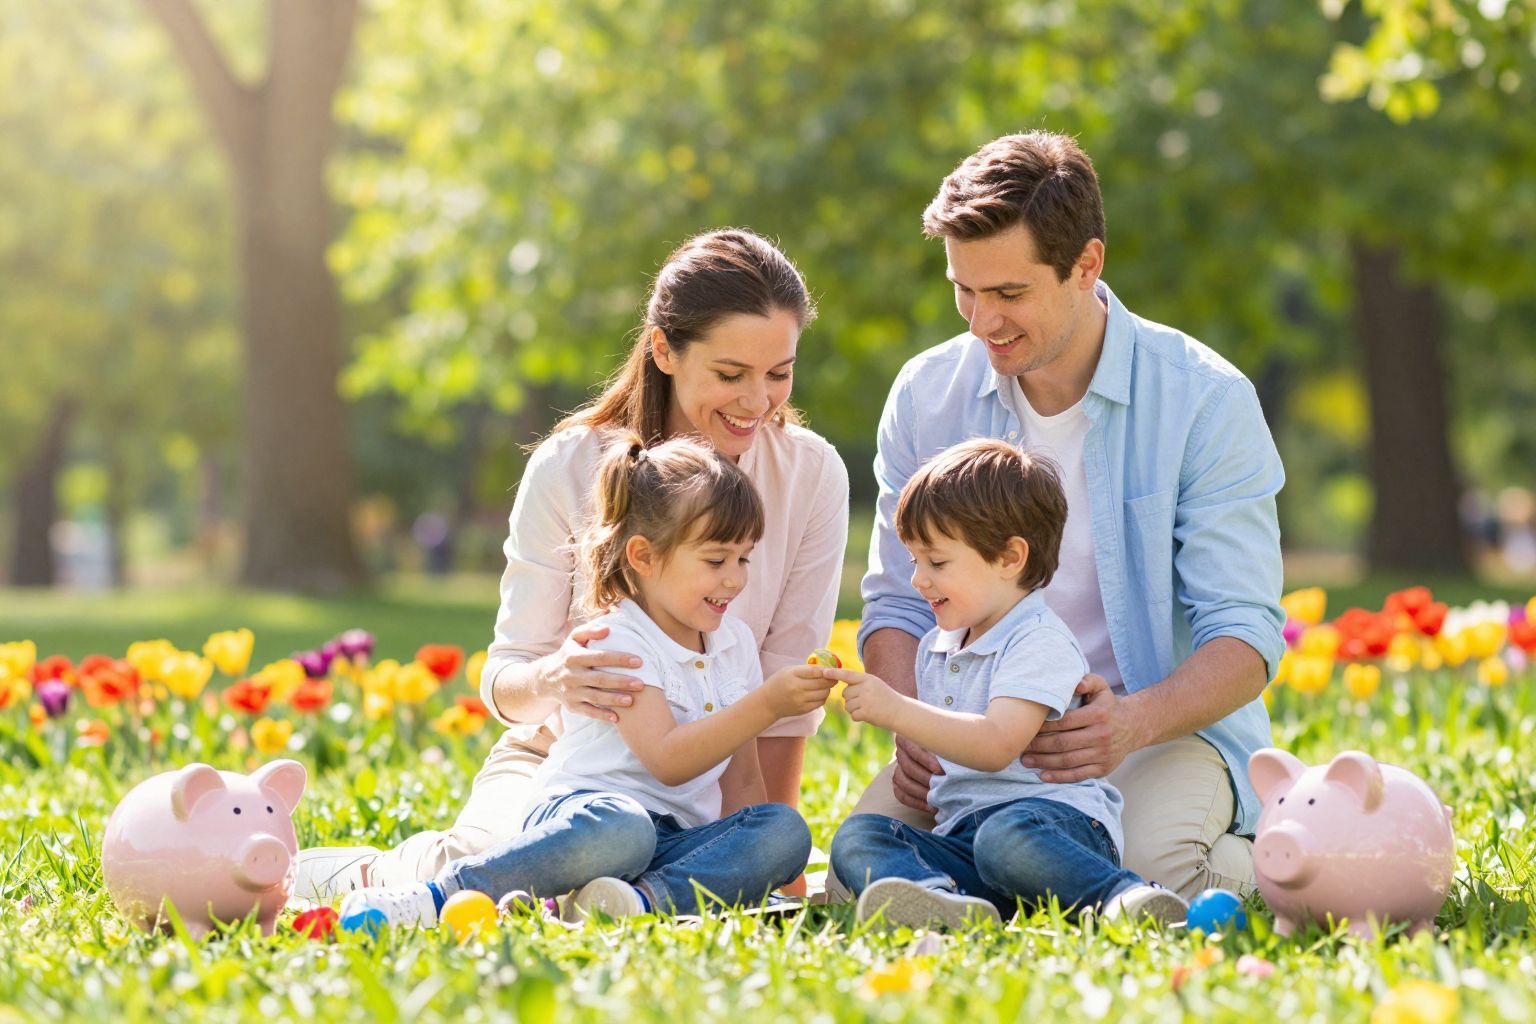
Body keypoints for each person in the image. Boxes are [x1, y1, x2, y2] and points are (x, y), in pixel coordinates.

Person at [297, 229, 849, 898]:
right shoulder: (570, 467)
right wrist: (556, 679)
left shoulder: (811, 473)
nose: (757, 401)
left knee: (770, 842)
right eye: (730, 374)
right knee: (491, 873)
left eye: (779, 373)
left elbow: (782, 693)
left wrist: (772, 870)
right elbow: (503, 681)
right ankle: (375, 876)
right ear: (663, 349)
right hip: (561, 767)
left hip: (697, 788)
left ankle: (634, 897)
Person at [838, 131, 1285, 901]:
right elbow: (896, 603)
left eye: (1009, 294)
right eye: (963, 290)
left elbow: (1245, 636)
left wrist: (1132, 724)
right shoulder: (925, 394)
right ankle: (998, 887)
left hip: (1148, 733)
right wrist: (914, 721)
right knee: (859, 882)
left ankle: (1306, 850)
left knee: (1163, 877)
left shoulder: (1205, 400)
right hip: (973, 740)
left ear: (1087, 266)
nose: (982, 323)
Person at [340, 435, 828, 926]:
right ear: (644, 556)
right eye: (716, 561)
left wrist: (757, 862)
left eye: (744, 559)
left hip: (679, 839)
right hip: (588, 822)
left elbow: (741, 779)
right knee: (626, 831)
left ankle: (636, 903)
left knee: (783, 830)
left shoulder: (734, 644)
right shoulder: (617, 638)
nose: (735, 580)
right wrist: (767, 704)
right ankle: (442, 894)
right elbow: (668, 760)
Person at [825, 439, 1186, 928]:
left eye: (937, 563)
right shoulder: (939, 645)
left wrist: (897, 710)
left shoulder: (1038, 640)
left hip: (1050, 828)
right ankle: (939, 901)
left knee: (1004, 837)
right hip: (966, 843)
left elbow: (996, 744)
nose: (918, 581)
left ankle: (1121, 897)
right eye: (914, 561)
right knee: (860, 835)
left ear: (1010, 557)